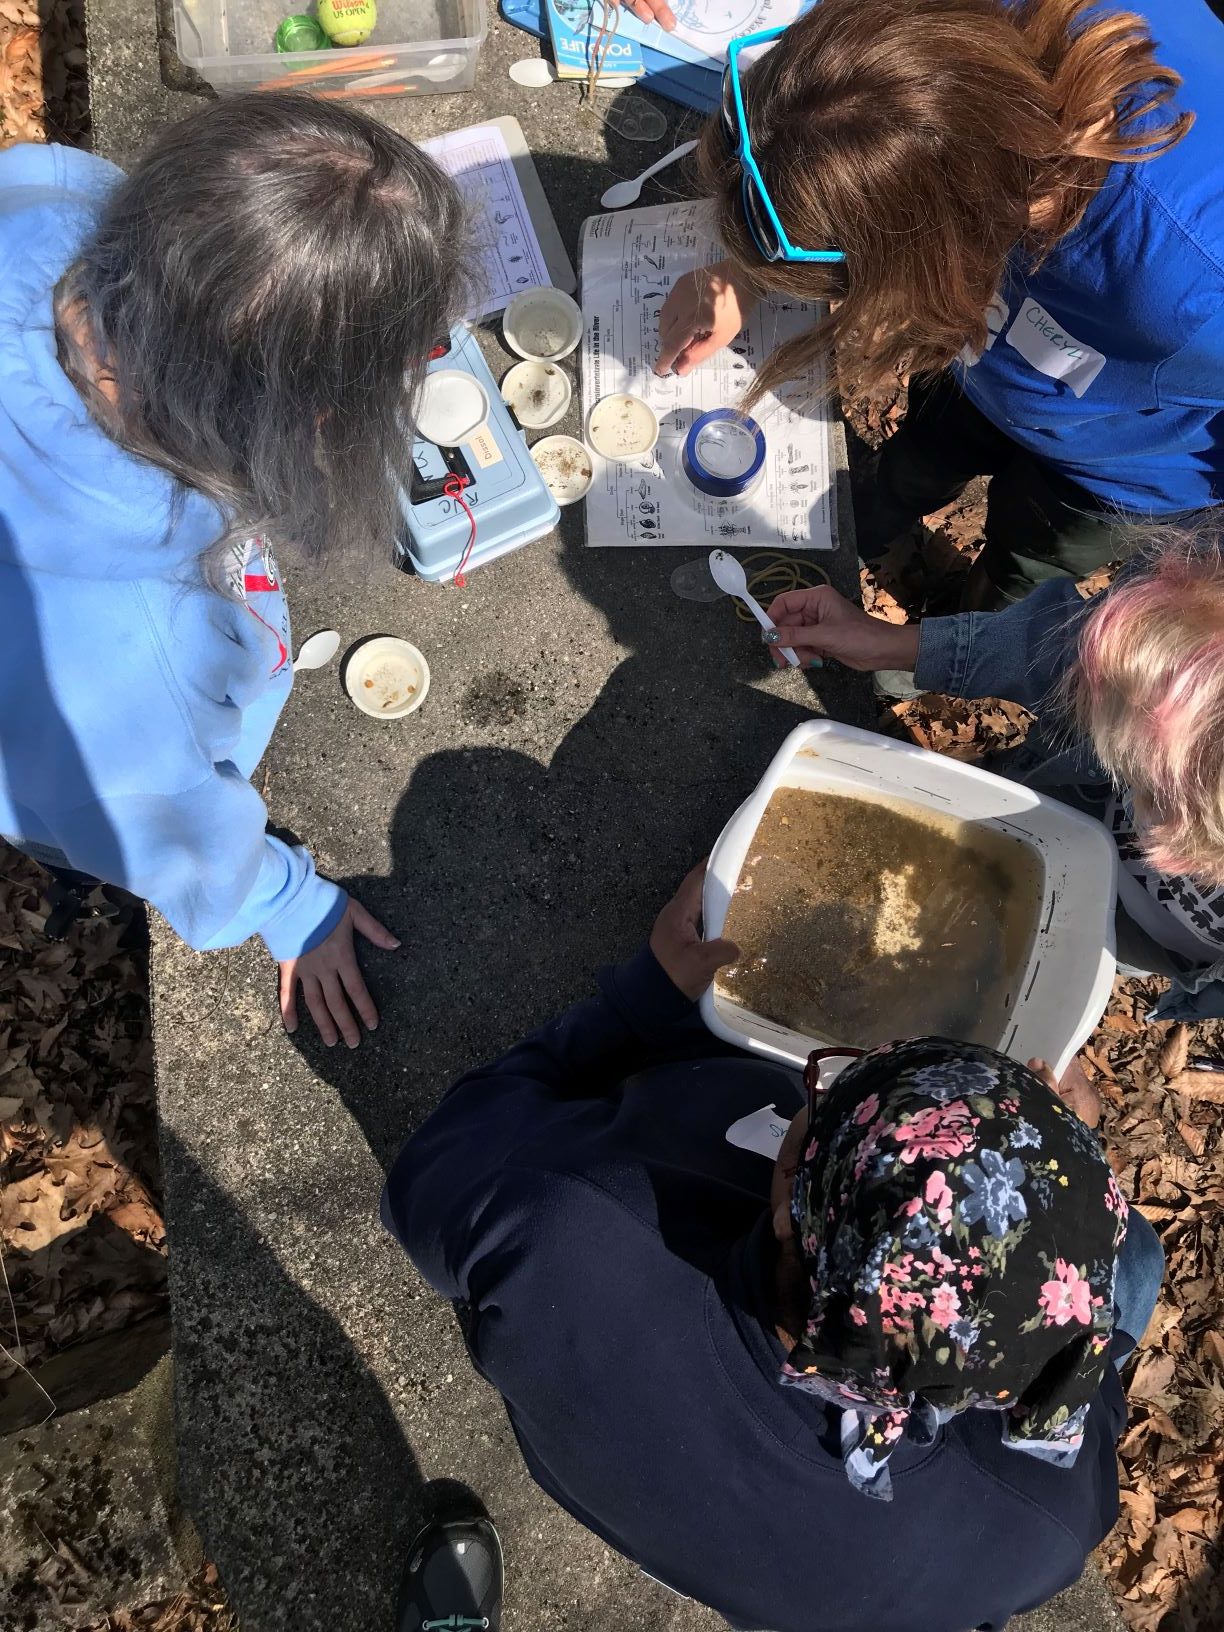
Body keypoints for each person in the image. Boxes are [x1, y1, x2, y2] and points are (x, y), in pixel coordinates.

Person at [383, 866, 1164, 1632]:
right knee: (1138, 1266)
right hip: (780, 1580)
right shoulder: (1039, 1528)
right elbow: (1088, 1405)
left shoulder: (565, 1231)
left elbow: (423, 1179)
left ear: (788, 1186)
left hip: (600, 1464)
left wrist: (640, 1004)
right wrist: (1074, 1171)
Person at [0, 93, 470, 1047]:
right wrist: (289, 901)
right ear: (299, 413)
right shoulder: (140, 663)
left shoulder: (47, 203)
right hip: (74, 758)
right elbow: (158, 825)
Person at [654, 0, 1224, 609]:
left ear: (933, 251)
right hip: (986, 363)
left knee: (1025, 567)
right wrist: (748, 269)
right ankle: (877, 521)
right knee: (917, 461)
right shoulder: (923, 48)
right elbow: (837, 132)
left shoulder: (1194, 278)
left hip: (1114, 468)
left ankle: (957, 630)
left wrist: (949, 652)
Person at [764, 530, 1224, 1019]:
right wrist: (897, 645)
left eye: (1155, 787)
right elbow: (1069, 654)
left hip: (1153, 940)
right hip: (1058, 799)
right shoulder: (1195, 622)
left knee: (1064, 947)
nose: (1132, 791)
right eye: (1130, 758)